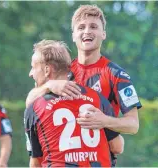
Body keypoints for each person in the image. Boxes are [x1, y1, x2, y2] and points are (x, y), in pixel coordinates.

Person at [26, 4, 142, 166]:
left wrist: (104, 121)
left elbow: (133, 125)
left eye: (93, 26)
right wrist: (49, 85)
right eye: (81, 27)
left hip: (98, 160)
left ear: (103, 34)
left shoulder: (116, 75)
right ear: (73, 35)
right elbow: (31, 104)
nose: (87, 31)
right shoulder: (63, 72)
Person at [25, 39, 123, 167]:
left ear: (47, 70)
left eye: (33, 67)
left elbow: (35, 162)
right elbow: (117, 147)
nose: (30, 73)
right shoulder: (97, 98)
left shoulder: (35, 107)